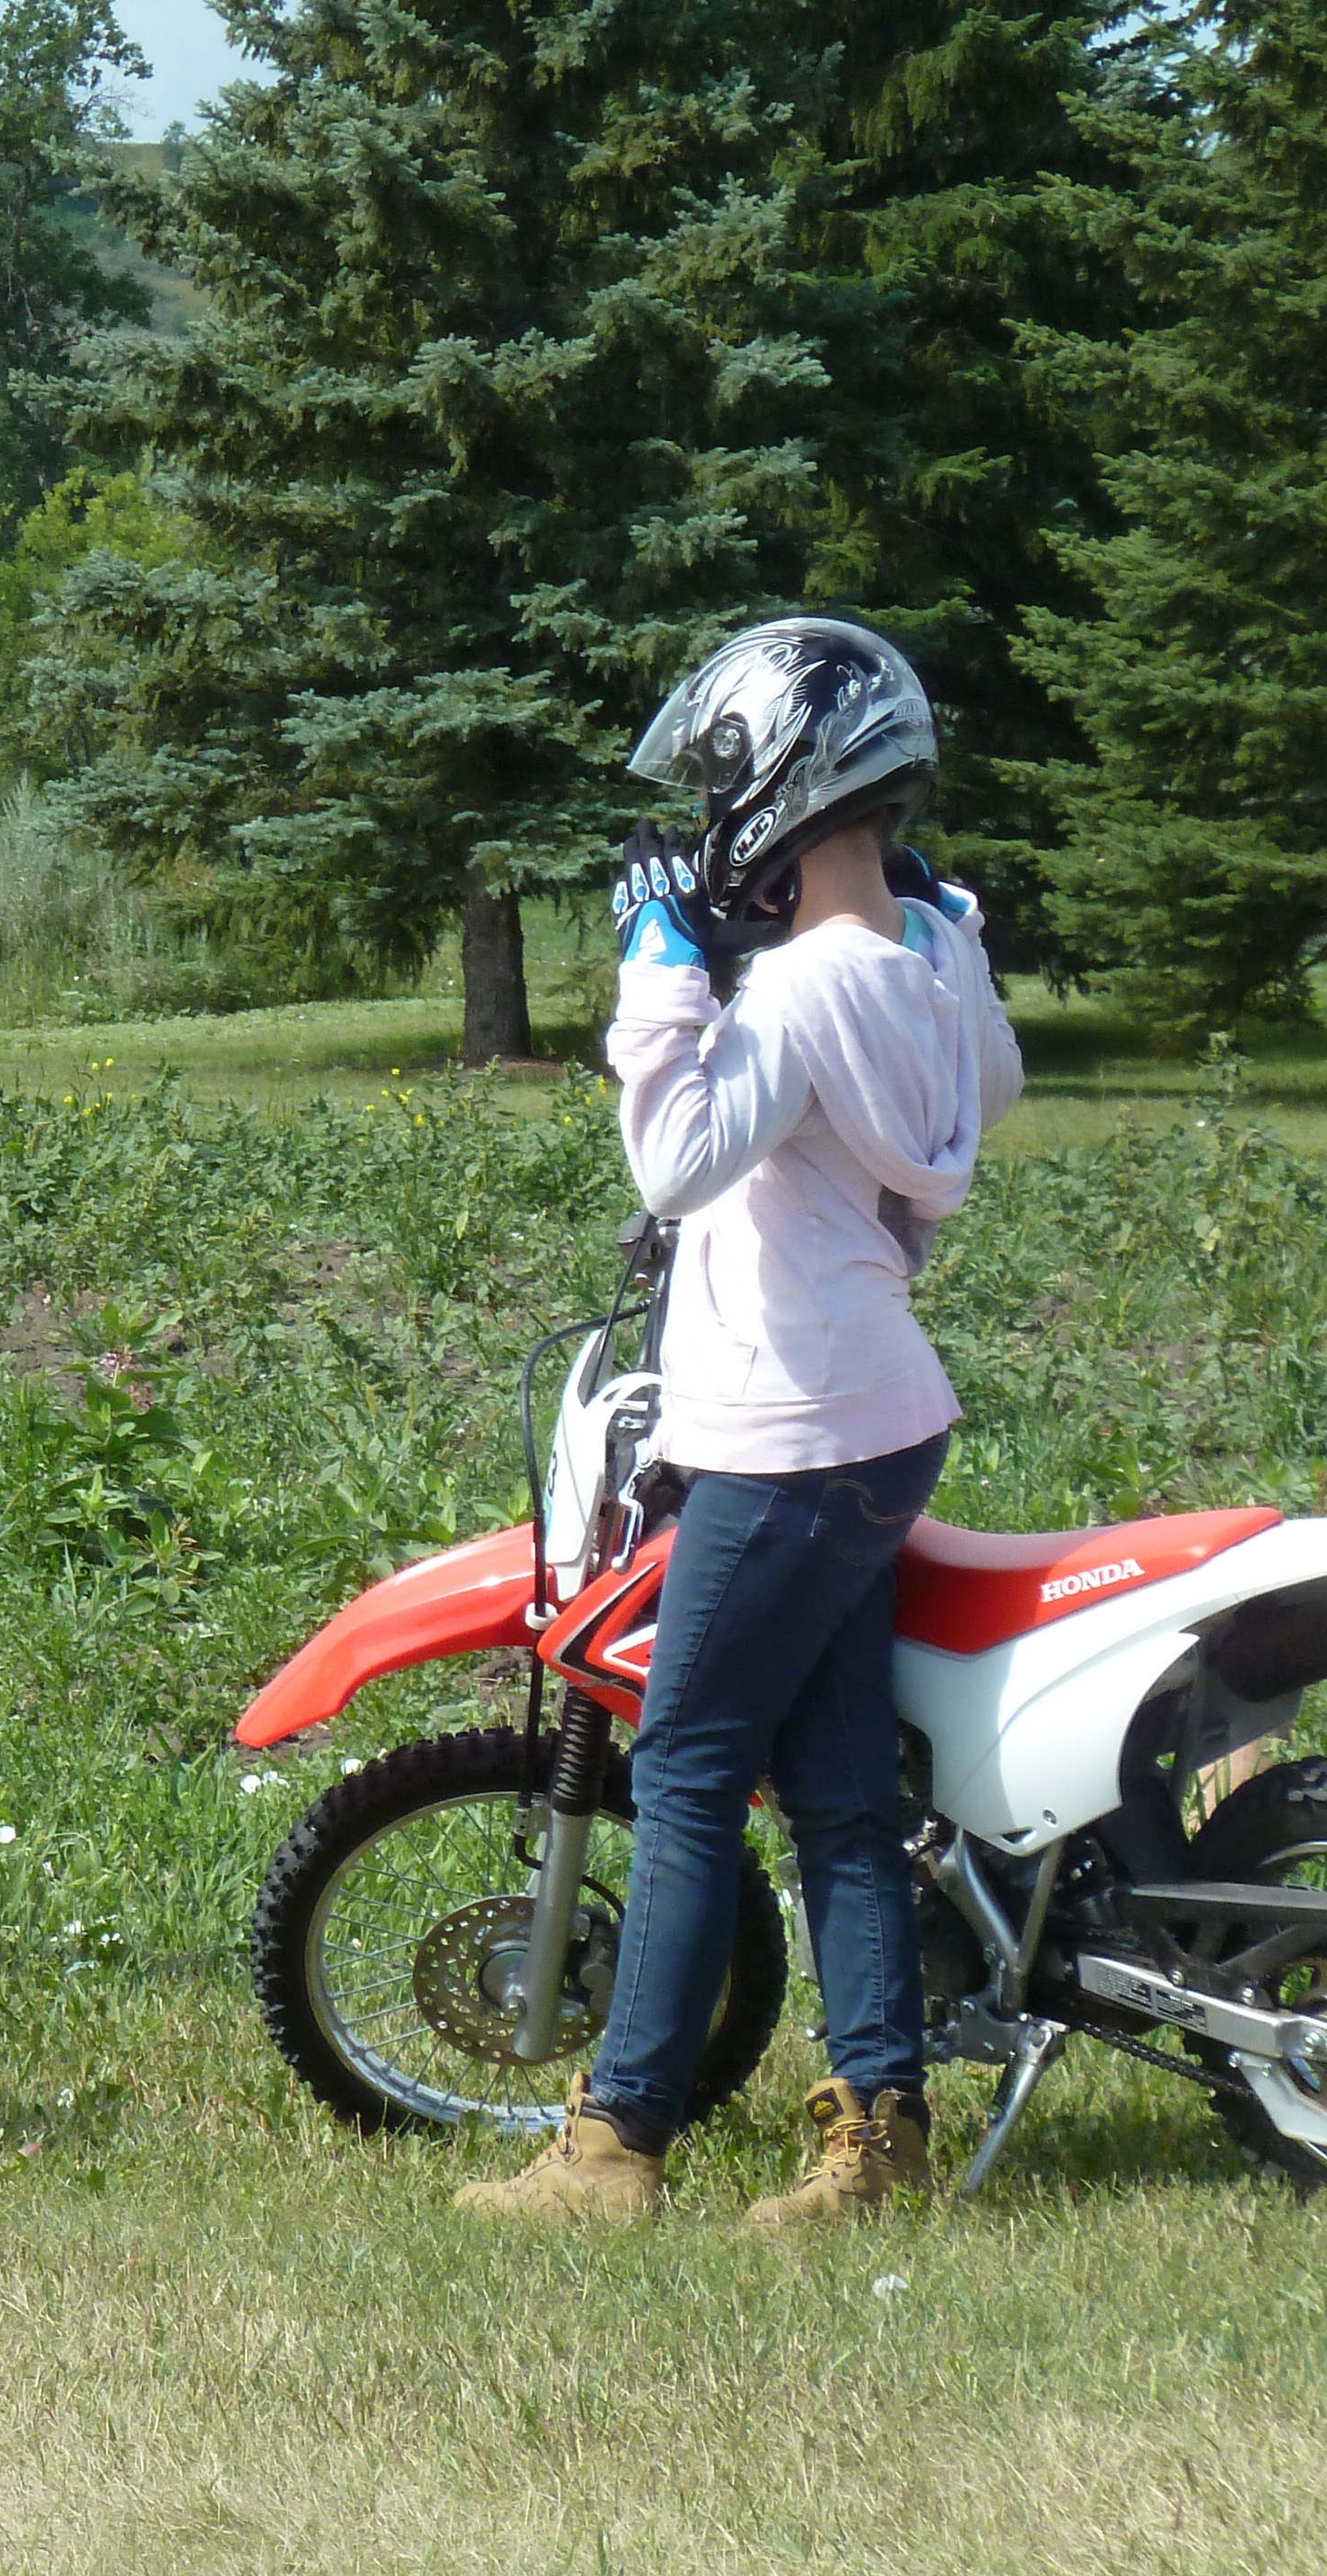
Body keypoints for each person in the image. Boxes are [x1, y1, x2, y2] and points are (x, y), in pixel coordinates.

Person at [461, 618, 1024, 2230]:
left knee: (695, 1773)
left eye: (721, 782)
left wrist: (658, 963)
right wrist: (930, 925)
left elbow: (676, 1160)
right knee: (840, 1792)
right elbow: (987, 1085)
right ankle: (878, 2137)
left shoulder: (798, 988)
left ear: (788, 778)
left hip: (784, 1433)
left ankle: (613, 2146)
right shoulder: (925, 956)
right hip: (874, 1417)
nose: (709, 815)